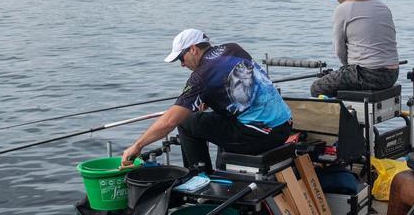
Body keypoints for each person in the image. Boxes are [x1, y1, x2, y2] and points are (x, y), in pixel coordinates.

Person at [121, 29, 292, 172]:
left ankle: (198, 177)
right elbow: (242, 83)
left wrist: (138, 145)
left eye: (181, 58)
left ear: (193, 49)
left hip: (261, 136)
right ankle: (220, 168)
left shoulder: (201, 77)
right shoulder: (233, 48)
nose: (182, 64)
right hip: (285, 125)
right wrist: (211, 100)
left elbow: (169, 121)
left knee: (187, 122)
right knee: (216, 115)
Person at [310, 0, 400, 97]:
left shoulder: (343, 9)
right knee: (340, 80)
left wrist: (347, 70)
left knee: (316, 88)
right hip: (392, 75)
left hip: (367, 75)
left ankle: (343, 115)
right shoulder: (382, 6)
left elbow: (339, 49)